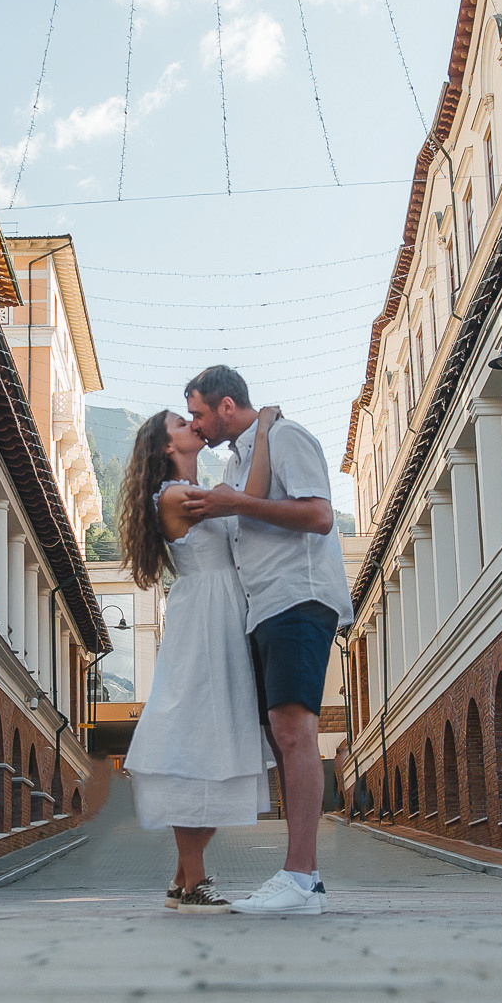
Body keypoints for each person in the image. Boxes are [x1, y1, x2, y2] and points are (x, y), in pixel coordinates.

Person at [180, 364, 353, 918]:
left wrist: (235, 504)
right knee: (283, 737)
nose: (197, 425)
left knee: (295, 731)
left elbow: (321, 515)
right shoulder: (241, 459)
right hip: (264, 609)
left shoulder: (286, 437)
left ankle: (301, 879)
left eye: (200, 414)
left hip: (299, 597)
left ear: (227, 405)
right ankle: (300, 877)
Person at [115, 403, 281, 911]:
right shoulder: (176, 494)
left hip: (221, 610)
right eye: (181, 425)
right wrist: (266, 429)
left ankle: (183, 876)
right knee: (199, 739)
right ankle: (196, 880)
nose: (193, 426)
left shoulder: (190, 490)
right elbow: (251, 500)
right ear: (169, 447)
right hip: (207, 615)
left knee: (216, 741)